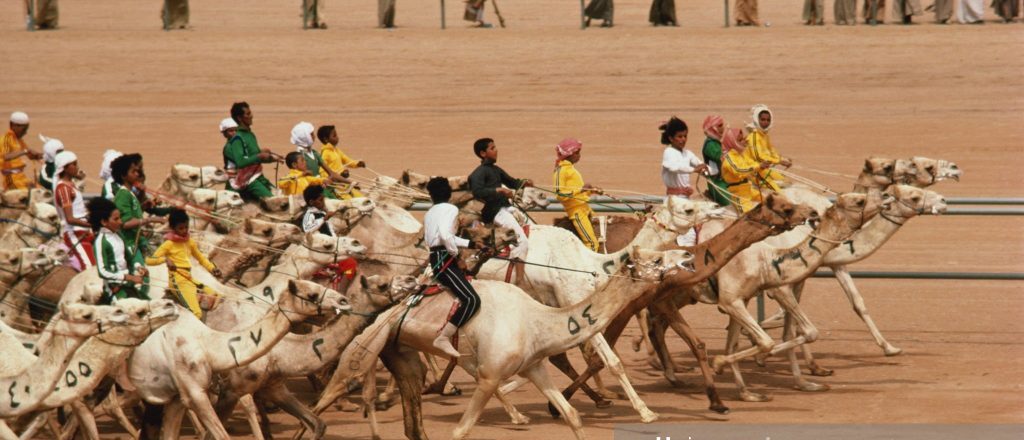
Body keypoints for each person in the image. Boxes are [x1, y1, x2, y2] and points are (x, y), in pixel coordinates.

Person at [425, 177, 486, 358]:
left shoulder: (430, 212)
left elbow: (445, 237)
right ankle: (444, 337)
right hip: (445, 260)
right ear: (449, 193)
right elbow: (445, 236)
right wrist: (458, 257)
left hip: (437, 255)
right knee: (472, 300)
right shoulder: (451, 209)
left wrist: (473, 244)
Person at [146, 209, 222, 320]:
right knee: (197, 313)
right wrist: (165, 260)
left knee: (216, 296)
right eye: (181, 228)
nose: (184, 231)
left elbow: (201, 258)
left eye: (186, 227)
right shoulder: (168, 244)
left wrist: (212, 268)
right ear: (173, 228)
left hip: (189, 278)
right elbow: (150, 260)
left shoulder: (189, 242)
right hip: (178, 281)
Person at [468, 138, 532, 259]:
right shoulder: (478, 173)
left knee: (533, 228)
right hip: (495, 212)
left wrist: (524, 183)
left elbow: (513, 182)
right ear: (483, 153)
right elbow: (477, 191)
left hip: (507, 208)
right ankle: (518, 277)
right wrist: (499, 190)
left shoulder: (496, 170)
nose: (496, 150)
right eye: (492, 148)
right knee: (522, 241)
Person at [87, 197, 148, 304]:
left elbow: (129, 258)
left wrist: (138, 267)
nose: (120, 222)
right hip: (115, 290)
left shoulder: (119, 235)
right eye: (116, 219)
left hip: (128, 285)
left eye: (120, 218)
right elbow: (102, 272)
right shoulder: (101, 242)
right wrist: (129, 277)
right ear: (104, 222)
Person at [303, 185, 359, 292]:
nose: (323, 201)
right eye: (320, 200)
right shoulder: (309, 215)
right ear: (311, 202)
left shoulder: (321, 212)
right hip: (324, 252)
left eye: (323, 199)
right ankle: (341, 292)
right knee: (350, 264)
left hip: (333, 247)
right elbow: (307, 230)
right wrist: (324, 219)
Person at [223, 102, 280, 201]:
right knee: (275, 203)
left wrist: (273, 158)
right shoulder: (237, 138)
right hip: (244, 181)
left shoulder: (250, 135)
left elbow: (253, 157)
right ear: (240, 118)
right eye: (248, 114)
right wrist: (260, 156)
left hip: (255, 176)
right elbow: (241, 162)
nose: (251, 116)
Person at [554, 138, 601, 252]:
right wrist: (580, 189)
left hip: (586, 209)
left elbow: (577, 192)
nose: (579, 156)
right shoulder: (561, 171)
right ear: (569, 154)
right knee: (592, 244)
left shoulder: (570, 169)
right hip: (577, 212)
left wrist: (590, 191)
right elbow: (560, 194)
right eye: (577, 153)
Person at [53, 151, 96, 270]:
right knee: (90, 269)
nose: (77, 167)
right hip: (74, 233)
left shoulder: (71, 185)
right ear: (65, 168)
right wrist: (92, 223)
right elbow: (70, 219)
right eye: (74, 164)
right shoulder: (63, 189)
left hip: (84, 231)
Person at [291, 122, 349, 198]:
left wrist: (350, 182)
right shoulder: (299, 157)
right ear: (304, 137)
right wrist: (322, 180)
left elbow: (332, 173)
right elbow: (305, 179)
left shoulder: (314, 153)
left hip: (321, 186)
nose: (314, 136)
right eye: (311, 134)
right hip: (311, 192)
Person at [721, 128, 770, 213]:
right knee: (749, 217)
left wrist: (761, 165)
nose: (744, 141)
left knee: (770, 202)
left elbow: (749, 165)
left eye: (743, 139)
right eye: (740, 140)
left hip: (748, 188)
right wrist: (758, 166)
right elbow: (739, 170)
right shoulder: (728, 158)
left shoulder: (739, 154)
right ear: (732, 141)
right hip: (737, 193)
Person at [744, 104, 790, 192]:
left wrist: (782, 159)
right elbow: (758, 156)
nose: (766, 122)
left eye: (768, 120)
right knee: (778, 190)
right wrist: (779, 161)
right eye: (763, 120)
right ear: (757, 120)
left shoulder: (764, 136)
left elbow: (772, 151)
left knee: (786, 182)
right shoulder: (753, 136)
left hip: (764, 169)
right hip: (755, 171)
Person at [660, 117, 708, 198]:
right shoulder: (668, 152)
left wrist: (707, 170)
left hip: (685, 199)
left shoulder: (688, 154)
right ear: (671, 138)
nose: (683, 139)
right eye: (680, 136)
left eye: (685, 136)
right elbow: (674, 168)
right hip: (673, 200)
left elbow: (701, 165)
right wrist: (694, 169)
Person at [316, 125, 366, 199]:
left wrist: (357, 164)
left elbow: (347, 160)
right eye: (334, 135)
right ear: (326, 139)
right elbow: (322, 172)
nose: (337, 137)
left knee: (361, 197)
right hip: (335, 187)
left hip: (343, 183)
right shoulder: (325, 153)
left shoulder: (336, 150)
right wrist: (340, 175)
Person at [278, 152, 349, 196]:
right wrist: (301, 174)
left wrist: (325, 180)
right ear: (294, 165)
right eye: (302, 160)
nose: (305, 162)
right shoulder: (290, 177)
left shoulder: (305, 178)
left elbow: (315, 180)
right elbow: (280, 183)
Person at [2, 112, 41, 190]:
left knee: (37, 189)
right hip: (11, 178)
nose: (25, 132)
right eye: (24, 129)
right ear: (13, 125)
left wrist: (42, 155)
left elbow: (30, 156)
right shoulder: (6, 139)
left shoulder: (19, 141)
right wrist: (25, 151)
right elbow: (6, 156)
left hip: (21, 177)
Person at [700, 115, 731, 207]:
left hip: (725, 179)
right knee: (730, 203)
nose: (723, 128)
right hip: (716, 182)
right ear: (713, 128)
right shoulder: (710, 145)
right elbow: (720, 156)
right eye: (720, 126)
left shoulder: (717, 142)